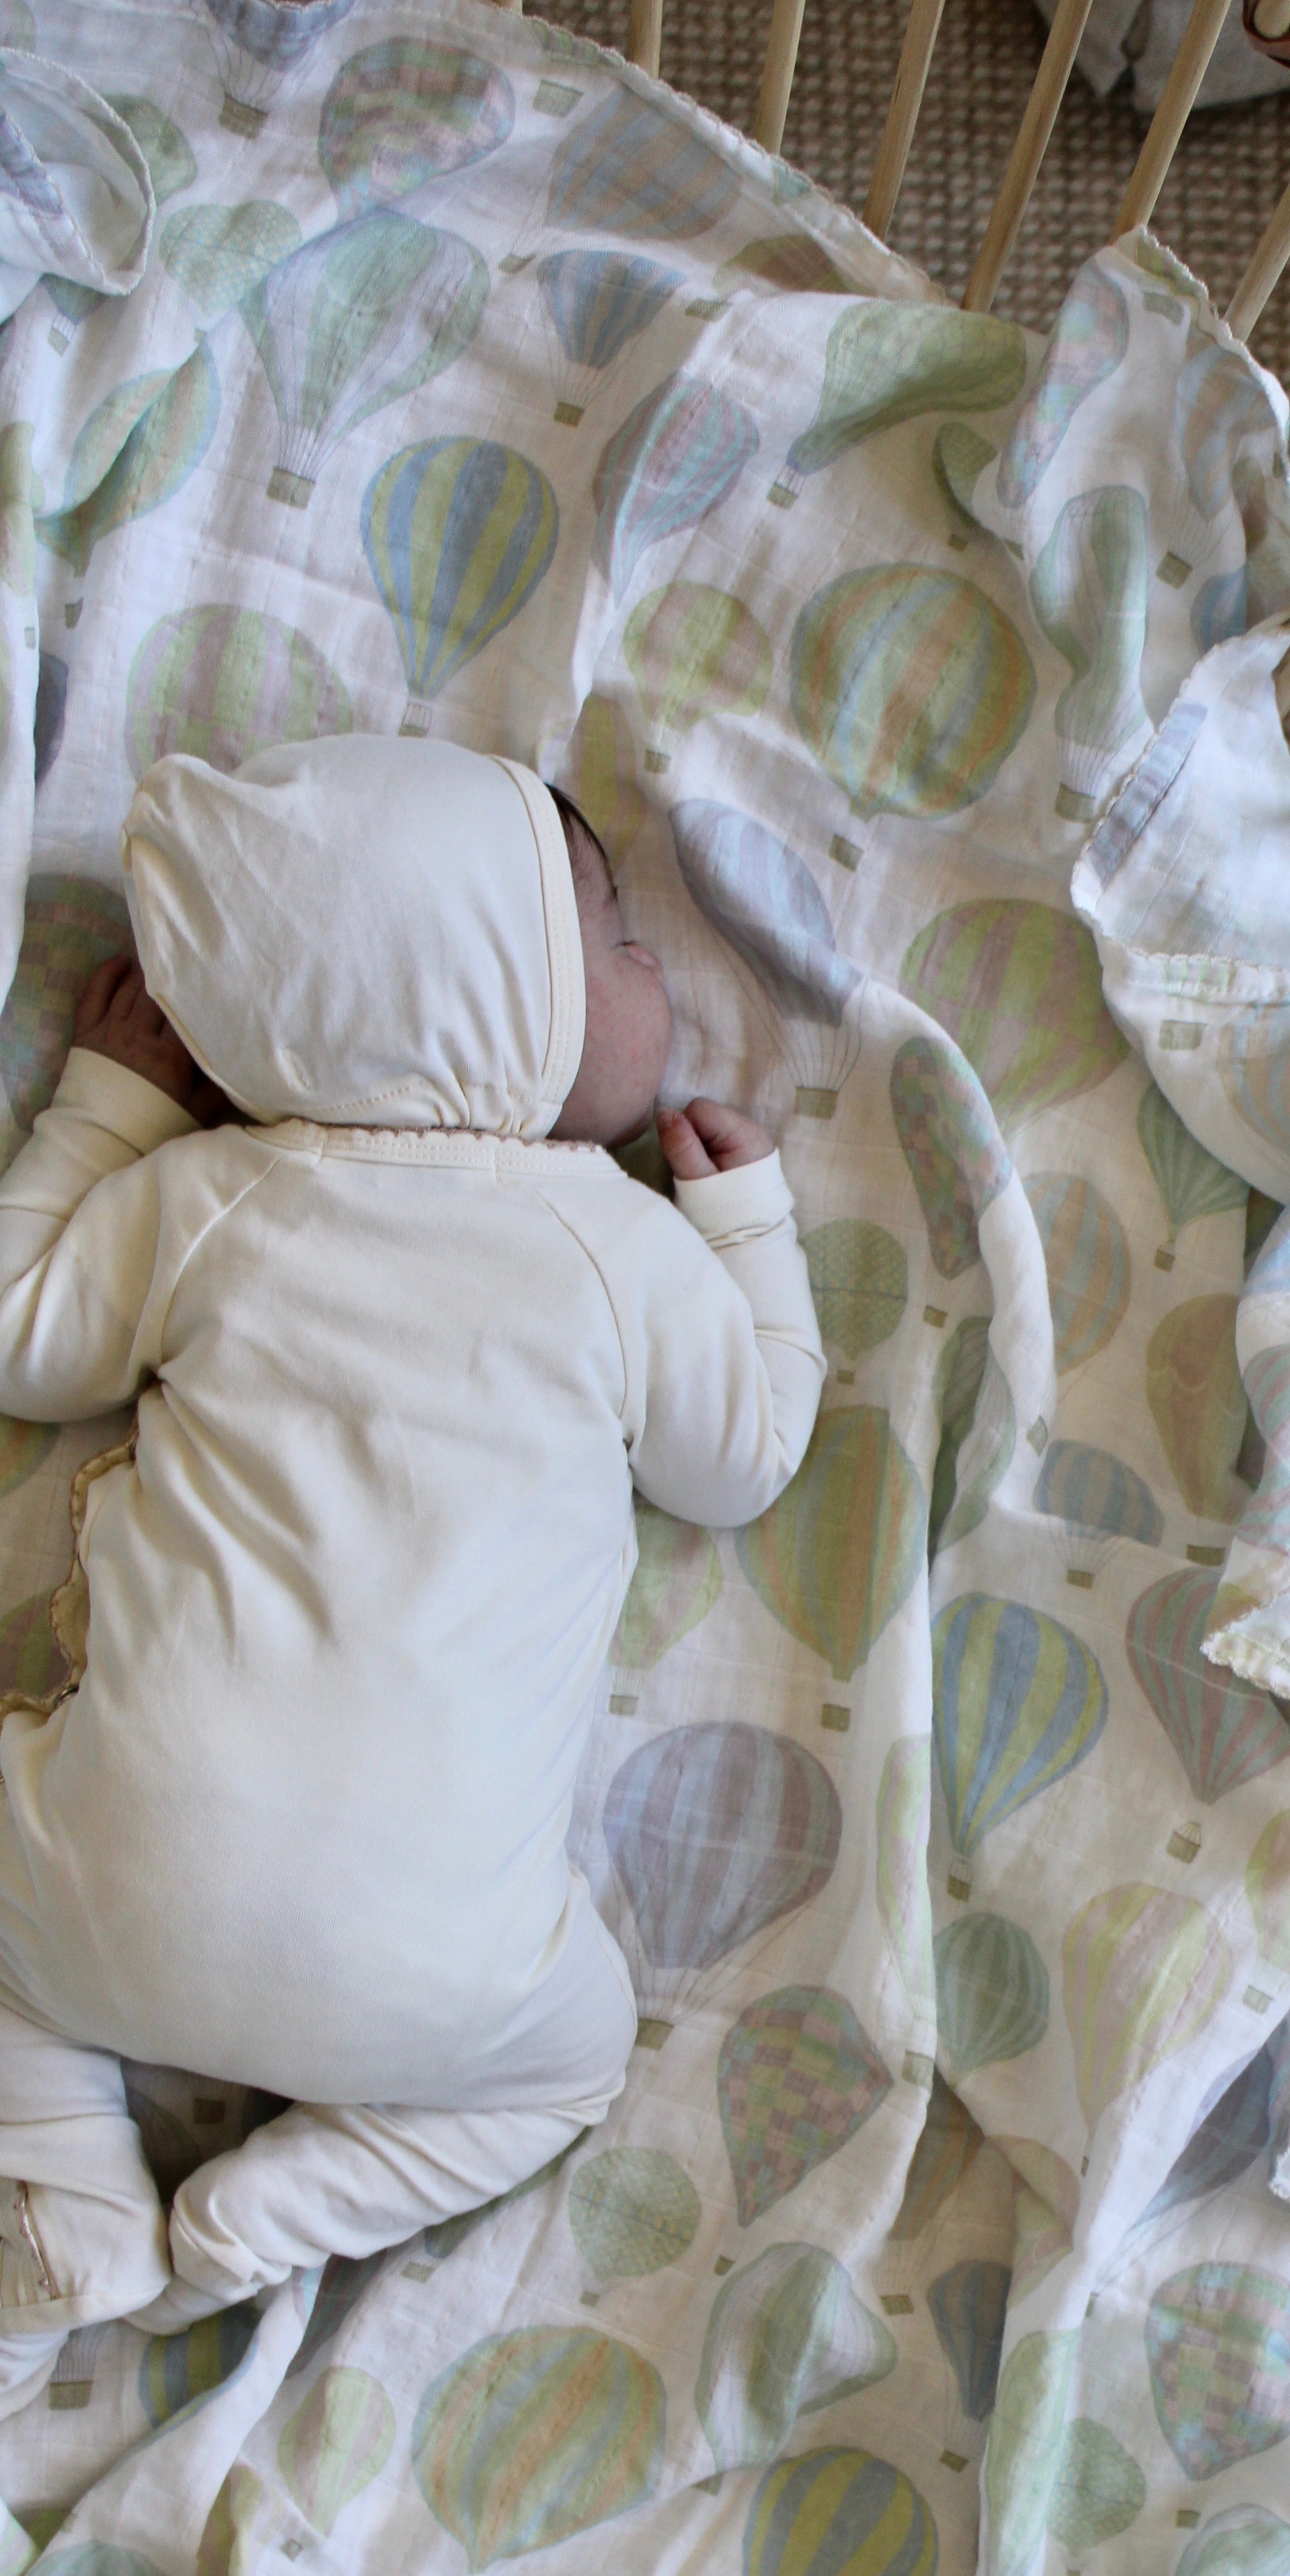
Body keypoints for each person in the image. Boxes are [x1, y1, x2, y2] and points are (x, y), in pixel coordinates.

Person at [0, 735, 823, 2397]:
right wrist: (749, 1233)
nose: (653, 966)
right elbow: (747, 1457)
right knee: (573, 2064)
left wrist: (109, 1106)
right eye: (614, 938)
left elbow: (23, 1336)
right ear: (494, 994)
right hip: (448, 1994)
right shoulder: (612, 1245)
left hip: (99, 1900)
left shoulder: (211, 1198)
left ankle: (72, 2170)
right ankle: (269, 2212)